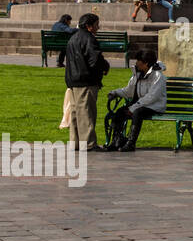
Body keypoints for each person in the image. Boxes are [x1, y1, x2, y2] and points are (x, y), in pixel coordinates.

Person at [65, 13, 110, 151]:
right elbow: (94, 59)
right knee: (86, 112)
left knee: (75, 112)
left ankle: (75, 142)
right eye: (96, 24)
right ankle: (89, 143)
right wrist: (104, 67)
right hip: (86, 79)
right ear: (89, 26)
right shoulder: (89, 39)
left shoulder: (74, 38)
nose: (98, 27)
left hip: (73, 80)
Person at [106, 50, 166, 152]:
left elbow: (152, 97)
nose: (136, 63)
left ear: (146, 63)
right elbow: (129, 91)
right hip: (140, 105)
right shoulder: (138, 74)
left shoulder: (158, 76)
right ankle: (116, 140)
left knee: (137, 113)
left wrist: (133, 108)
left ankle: (131, 143)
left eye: (138, 60)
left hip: (155, 106)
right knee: (120, 112)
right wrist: (115, 92)